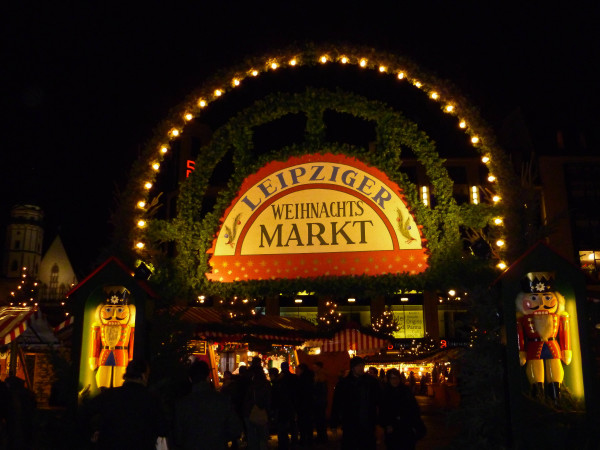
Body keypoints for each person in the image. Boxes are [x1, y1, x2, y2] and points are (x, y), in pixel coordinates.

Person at [83, 359, 167, 450]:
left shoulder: (110, 395)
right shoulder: (151, 399)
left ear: (126, 375)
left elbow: (84, 413)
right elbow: (162, 429)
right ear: (143, 376)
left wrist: (93, 433)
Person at [173, 360, 242, 450]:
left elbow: (177, 437)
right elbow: (235, 430)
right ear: (208, 377)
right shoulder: (222, 400)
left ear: (190, 379)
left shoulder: (182, 404)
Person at [330, 356, 380, 450]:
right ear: (353, 367)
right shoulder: (344, 384)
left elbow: (378, 400)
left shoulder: (371, 382)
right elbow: (337, 403)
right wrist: (334, 422)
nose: (361, 368)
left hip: (367, 420)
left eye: (362, 366)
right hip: (350, 421)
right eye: (359, 366)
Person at [379, 368, 426, 450]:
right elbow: (382, 411)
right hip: (393, 429)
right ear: (388, 379)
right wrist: (386, 424)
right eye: (392, 378)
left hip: (406, 427)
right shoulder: (385, 393)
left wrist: (416, 424)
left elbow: (414, 408)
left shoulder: (405, 391)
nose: (395, 381)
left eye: (396, 378)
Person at [243, 364, 271, 450]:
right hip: (262, 411)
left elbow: (246, 398)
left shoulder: (250, 384)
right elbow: (269, 399)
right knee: (263, 436)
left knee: (252, 435)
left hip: (250, 411)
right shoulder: (266, 384)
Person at [272, 362, 298, 450]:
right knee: (292, 423)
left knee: (282, 425)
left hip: (281, 404)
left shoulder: (279, 378)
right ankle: (294, 441)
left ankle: (283, 442)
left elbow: (275, 391)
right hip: (292, 403)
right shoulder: (294, 377)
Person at [295, 363, 315, 446]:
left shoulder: (302, 380)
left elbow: (300, 393)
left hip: (303, 404)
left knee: (303, 423)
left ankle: (304, 439)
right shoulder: (310, 378)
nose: (296, 371)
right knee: (308, 422)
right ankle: (309, 439)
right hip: (309, 404)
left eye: (297, 369)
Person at [312, 361, 329, 444]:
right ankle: (321, 436)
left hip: (320, 401)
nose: (313, 368)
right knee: (320, 420)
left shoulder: (321, 377)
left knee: (320, 420)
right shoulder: (318, 376)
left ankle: (322, 436)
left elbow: (321, 390)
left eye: (315, 367)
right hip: (320, 401)